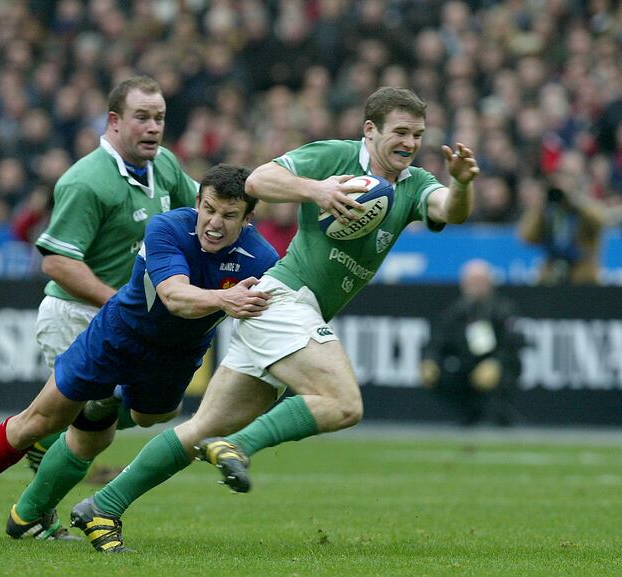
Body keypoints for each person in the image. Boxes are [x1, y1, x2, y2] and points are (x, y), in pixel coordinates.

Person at [66, 86, 480, 553]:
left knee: (202, 430)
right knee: (343, 404)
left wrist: (462, 183)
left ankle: (102, 506)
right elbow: (258, 181)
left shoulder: (414, 183)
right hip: (285, 299)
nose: (409, 142)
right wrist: (316, 190)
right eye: (400, 132)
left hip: (276, 308)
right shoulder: (334, 157)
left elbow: (449, 210)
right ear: (370, 131)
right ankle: (240, 447)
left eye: (417, 134)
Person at [0, 164, 278, 545]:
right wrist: (228, 298)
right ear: (197, 203)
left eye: (228, 215)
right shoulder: (167, 228)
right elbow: (175, 297)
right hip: (117, 336)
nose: (214, 223)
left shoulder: (262, 258)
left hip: (178, 354)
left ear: (248, 218)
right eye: (208, 209)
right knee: (37, 422)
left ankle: (103, 405)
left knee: (154, 415)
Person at [25, 75, 198, 473]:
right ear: (115, 120)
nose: (153, 127)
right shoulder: (85, 181)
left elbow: (201, 212)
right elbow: (55, 261)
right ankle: (36, 513)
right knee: (92, 422)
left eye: (160, 117)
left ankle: (47, 438)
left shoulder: (166, 165)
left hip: (127, 316)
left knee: (155, 409)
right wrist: (118, 301)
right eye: (142, 117)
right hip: (76, 315)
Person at [419, 259, 522, 426]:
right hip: (465, 367)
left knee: (497, 375)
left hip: (498, 366)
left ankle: (501, 419)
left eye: (479, 281)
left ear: (490, 283)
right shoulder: (456, 311)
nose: (475, 286)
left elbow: (514, 343)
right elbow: (438, 341)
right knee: (440, 373)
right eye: (471, 281)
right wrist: (429, 360)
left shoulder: (503, 309)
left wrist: (496, 363)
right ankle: (465, 415)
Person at [518, 151, 622, 285]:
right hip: (552, 269)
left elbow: (601, 221)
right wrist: (540, 207)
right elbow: (527, 237)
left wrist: (575, 201)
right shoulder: (547, 209)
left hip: (583, 272)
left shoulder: (585, 205)